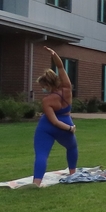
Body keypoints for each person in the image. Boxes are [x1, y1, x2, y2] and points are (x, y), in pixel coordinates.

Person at [32, 47, 78, 187]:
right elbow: (60, 66)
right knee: (72, 147)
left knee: (41, 153)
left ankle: (37, 182)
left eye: (42, 86)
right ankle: (72, 173)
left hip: (46, 127)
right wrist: (54, 55)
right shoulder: (67, 88)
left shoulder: (47, 101)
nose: (42, 89)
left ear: (47, 85)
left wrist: (68, 128)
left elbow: (53, 121)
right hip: (65, 123)